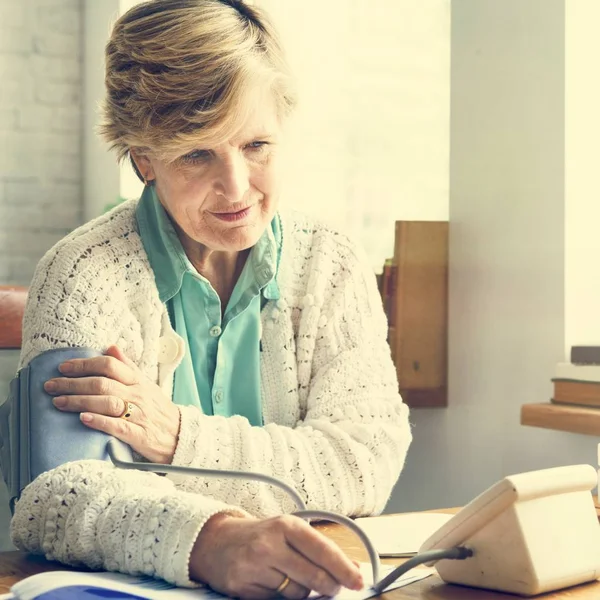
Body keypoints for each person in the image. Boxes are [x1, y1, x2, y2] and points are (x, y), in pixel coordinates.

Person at [9, 0, 412, 598]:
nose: (237, 188)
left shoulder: (332, 264)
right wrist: (214, 542)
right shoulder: (81, 274)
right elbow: (59, 495)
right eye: (197, 153)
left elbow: (364, 463)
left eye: (256, 146)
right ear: (144, 159)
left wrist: (177, 436)